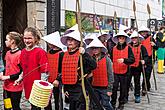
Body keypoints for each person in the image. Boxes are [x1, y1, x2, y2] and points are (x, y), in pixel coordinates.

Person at [53, 28, 97, 110]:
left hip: (80, 87)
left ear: (77, 42)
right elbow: (61, 71)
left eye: (72, 40)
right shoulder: (62, 55)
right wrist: (58, 79)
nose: (69, 42)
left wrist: (84, 54)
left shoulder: (82, 55)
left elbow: (94, 65)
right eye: (68, 40)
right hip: (68, 87)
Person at [14, 27, 49, 110]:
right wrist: (20, 78)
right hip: (27, 83)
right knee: (31, 104)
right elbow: (24, 69)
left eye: (29, 38)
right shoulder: (23, 52)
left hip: (37, 86)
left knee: (36, 107)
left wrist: (41, 88)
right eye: (25, 38)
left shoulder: (40, 52)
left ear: (35, 38)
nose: (27, 40)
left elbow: (45, 71)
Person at [86, 37, 114, 110]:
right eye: (93, 48)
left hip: (104, 87)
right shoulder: (91, 60)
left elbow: (110, 75)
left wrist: (109, 89)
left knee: (106, 104)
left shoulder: (107, 60)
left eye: (96, 48)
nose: (94, 50)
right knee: (95, 105)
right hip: (94, 86)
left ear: (100, 49)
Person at [41, 31, 66, 110]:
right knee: (46, 98)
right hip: (48, 78)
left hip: (57, 80)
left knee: (58, 99)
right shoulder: (48, 52)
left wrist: (58, 79)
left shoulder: (61, 54)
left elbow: (63, 69)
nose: (48, 43)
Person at [110, 30, 135, 110]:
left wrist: (124, 60)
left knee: (123, 89)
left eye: (122, 38)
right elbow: (110, 59)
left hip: (125, 72)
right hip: (115, 71)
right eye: (120, 38)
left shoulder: (129, 48)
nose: (121, 40)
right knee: (114, 88)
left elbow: (132, 59)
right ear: (117, 39)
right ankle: (112, 103)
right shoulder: (113, 48)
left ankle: (121, 103)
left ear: (125, 39)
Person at [0, 32, 24, 110]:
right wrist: (2, 73)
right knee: (7, 107)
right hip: (6, 87)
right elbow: (6, 67)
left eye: (7, 39)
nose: (5, 41)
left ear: (12, 41)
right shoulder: (7, 53)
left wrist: (7, 77)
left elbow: (21, 72)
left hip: (15, 87)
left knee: (15, 107)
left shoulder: (20, 54)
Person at [127, 31, 148, 103]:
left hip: (137, 67)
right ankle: (125, 96)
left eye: (136, 38)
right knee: (127, 82)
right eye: (133, 38)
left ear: (139, 39)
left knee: (137, 82)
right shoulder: (128, 46)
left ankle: (137, 95)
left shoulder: (142, 47)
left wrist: (144, 60)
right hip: (129, 67)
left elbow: (146, 56)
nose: (134, 40)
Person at [138, 26, 158, 95]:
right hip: (140, 59)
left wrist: (154, 45)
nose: (143, 33)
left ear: (147, 32)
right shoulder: (138, 39)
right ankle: (147, 85)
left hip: (149, 59)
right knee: (142, 74)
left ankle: (144, 88)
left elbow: (157, 47)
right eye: (142, 32)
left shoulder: (151, 38)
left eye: (145, 31)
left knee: (147, 74)